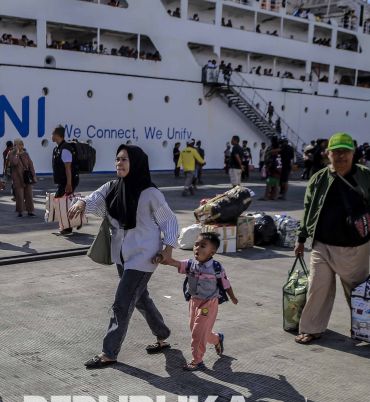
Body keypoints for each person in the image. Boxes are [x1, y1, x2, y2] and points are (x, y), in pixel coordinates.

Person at [67, 145, 177, 368]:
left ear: (135, 163)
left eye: (124, 159)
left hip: (144, 256)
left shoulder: (150, 193)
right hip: (122, 256)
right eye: (117, 159)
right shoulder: (113, 187)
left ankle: (109, 352)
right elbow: (95, 198)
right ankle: (162, 333)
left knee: (122, 303)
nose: (119, 163)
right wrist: (81, 202)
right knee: (141, 299)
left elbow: (170, 222)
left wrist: (168, 249)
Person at [294, 133, 370, 345]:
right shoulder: (318, 178)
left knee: (359, 293)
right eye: (336, 152)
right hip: (322, 245)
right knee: (317, 288)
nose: (341, 156)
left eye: (345, 152)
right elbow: (309, 209)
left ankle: (365, 326)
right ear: (328, 154)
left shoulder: (366, 177)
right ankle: (311, 328)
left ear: (353, 153)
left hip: (355, 248)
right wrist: (301, 239)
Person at [155, 232, 238, 371]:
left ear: (212, 252)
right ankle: (217, 339)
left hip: (208, 304)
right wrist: (161, 258)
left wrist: (233, 297)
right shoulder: (190, 264)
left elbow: (226, 284)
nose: (197, 248)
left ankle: (197, 361)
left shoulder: (216, 268)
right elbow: (174, 262)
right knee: (198, 331)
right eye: (196, 245)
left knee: (197, 333)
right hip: (194, 302)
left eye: (202, 246)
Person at [50, 125, 79, 235]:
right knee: (61, 202)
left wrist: (69, 183)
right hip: (62, 182)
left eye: (52, 134)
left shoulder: (65, 148)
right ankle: (76, 221)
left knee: (64, 204)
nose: (51, 136)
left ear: (57, 135)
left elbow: (68, 167)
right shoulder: (58, 148)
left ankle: (67, 229)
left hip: (67, 182)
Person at [7, 138, 36, 217]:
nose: (21, 146)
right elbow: (14, 162)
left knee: (29, 194)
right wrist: (17, 152)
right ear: (15, 146)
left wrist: (34, 176)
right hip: (17, 177)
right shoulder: (11, 154)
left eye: (22, 144)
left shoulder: (25, 154)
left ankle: (30, 211)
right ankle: (20, 212)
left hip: (26, 177)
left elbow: (31, 165)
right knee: (19, 196)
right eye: (19, 145)